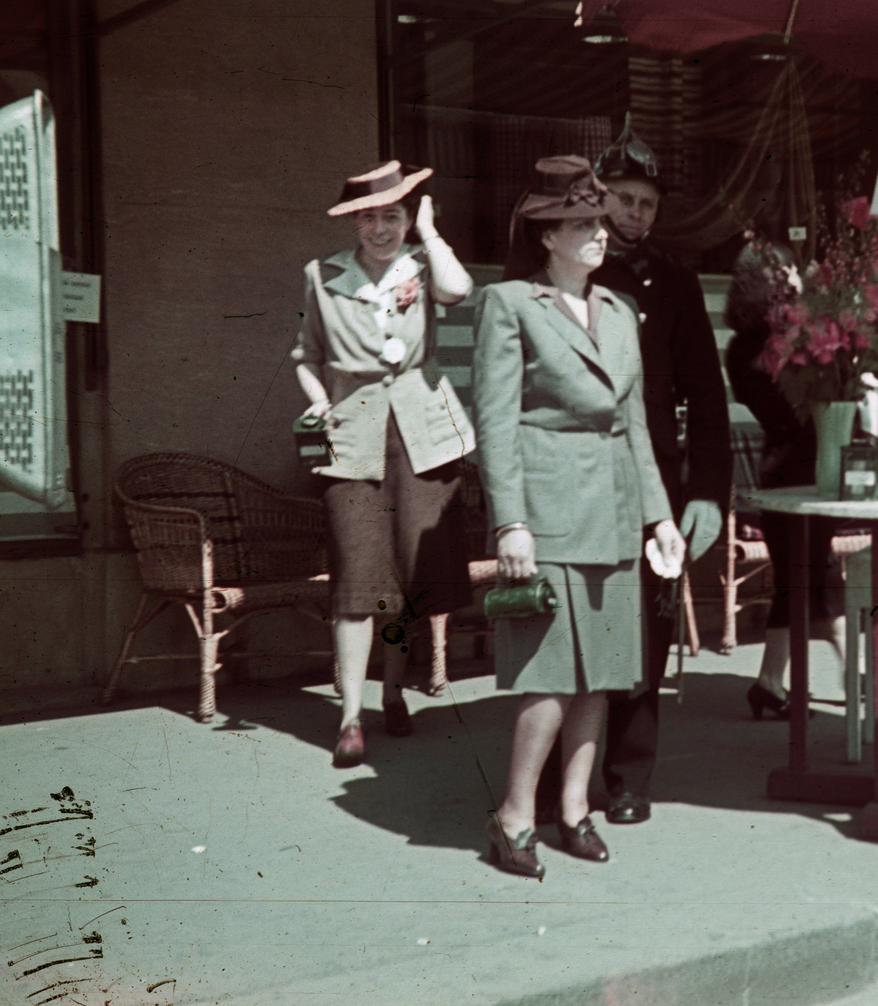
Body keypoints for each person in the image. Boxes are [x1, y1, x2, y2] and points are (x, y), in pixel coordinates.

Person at [472, 155, 686, 879]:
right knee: (552, 674)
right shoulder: (509, 305)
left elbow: (635, 427)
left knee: (604, 673)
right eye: (583, 223)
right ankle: (513, 815)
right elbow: (496, 424)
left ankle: (572, 811)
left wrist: (659, 520)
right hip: (551, 512)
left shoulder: (620, 312)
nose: (600, 234)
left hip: (617, 511)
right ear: (546, 238)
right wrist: (511, 523)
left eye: (600, 222)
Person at [532, 122, 732, 827]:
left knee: (646, 627)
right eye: (622, 198)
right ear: (596, 197)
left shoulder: (673, 284)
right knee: (575, 628)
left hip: (654, 480)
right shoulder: (565, 271)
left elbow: (707, 397)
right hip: (576, 478)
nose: (633, 214)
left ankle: (628, 777)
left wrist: (708, 493)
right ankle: (561, 780)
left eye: (646, 203)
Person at [293, 161, 476, 768]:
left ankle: (393, 694)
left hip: (422, 436)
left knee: (404, 579)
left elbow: (459, 291)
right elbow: (306, 355)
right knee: (357, 582)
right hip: (353, 439)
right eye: (370, 217)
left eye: (392, 216)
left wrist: (431, 230)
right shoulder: (322, 276)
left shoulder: (424, 267)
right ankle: (349, 718)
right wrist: (321, 402)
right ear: (354, 223)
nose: (381, 229)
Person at [723, 240, 849, 719]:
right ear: (771, 283)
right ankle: (856, 673)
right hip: (803, 466)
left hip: (783, 467)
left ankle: (772, 683)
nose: (799, 279)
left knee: (801, 578)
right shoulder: (777, 344)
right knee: (813, 574)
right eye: (791, 273)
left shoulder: (743, 346)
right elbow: (799, 407)